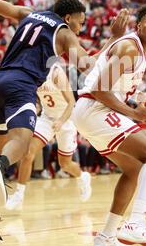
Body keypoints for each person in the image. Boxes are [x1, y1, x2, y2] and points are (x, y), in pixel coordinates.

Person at [0, 0, 128, 244]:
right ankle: (0, 165)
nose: (81, 27)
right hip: (22, 85)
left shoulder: (29, 14)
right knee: (20, 142)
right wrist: (113, 39)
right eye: (81, 21)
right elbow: (87, 67)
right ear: (68, 17)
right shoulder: (66, 33)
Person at [72, 3, 146, 246]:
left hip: (92, 111)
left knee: (134, 169)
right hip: (95, 108)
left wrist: (142, 100)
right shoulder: (130, 48)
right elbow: (99, 88)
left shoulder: (140, 54)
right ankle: (136, 222)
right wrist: (136, 113)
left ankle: (106, 236)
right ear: (139, 26)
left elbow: (117, 89)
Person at [6, 61, 91, 210]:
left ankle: (82, 177)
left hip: (66, 119)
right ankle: (19, 195)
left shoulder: (56, 73)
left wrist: (61, 121)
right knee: (28, 154)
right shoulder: (31, 74)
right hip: (46, 118)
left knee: (65, 164)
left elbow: (71, 103)